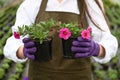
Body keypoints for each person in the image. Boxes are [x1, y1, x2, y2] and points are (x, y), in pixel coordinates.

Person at [4, 0, 118, 80]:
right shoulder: (33, 3)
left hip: (78, 75)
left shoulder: (89, 3)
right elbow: (13, 41)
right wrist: (22, 50)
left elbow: (109, 41)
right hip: (41, 76)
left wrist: (97, 49)